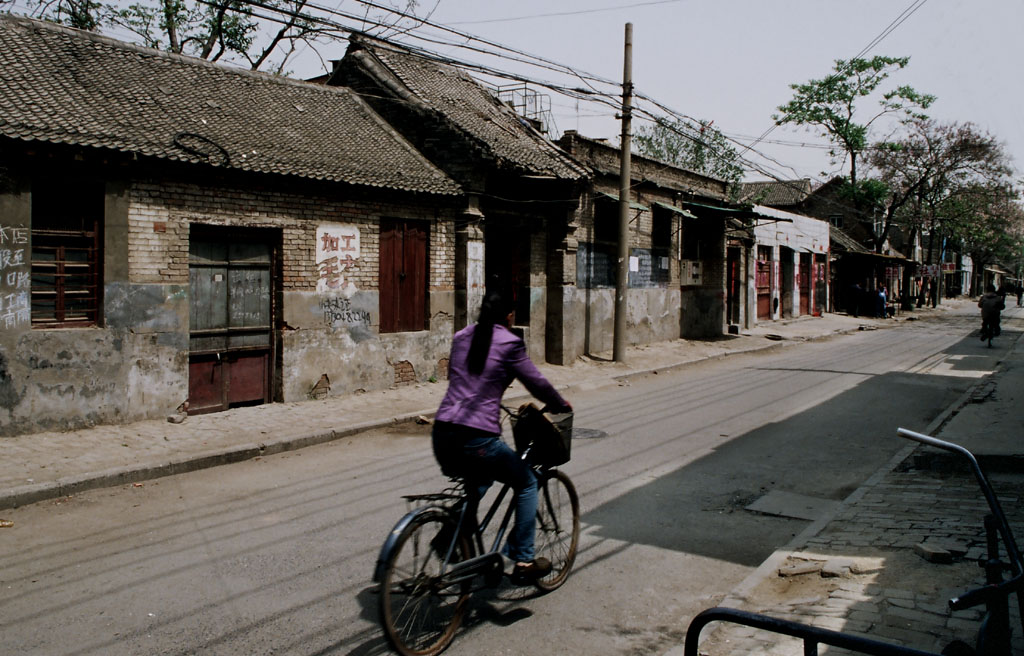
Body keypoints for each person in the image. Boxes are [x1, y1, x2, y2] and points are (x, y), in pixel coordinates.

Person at [432, 287, 572, 582]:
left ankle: (450, 535)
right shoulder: (510, 343)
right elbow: (536, 382)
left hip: (443, 433)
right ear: (509, 316)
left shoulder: (461, 337)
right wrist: (559, 402)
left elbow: (460, 381)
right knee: (527, 482)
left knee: (480, 478)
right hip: (476, 437)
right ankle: (523, 560)